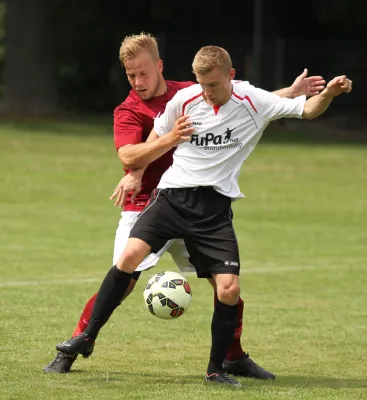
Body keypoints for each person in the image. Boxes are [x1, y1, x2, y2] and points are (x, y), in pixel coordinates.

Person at [45, 34, 327, 378]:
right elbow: (128, 155)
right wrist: (139, 168)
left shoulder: (190, 89)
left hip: (202, 206)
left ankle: (232, 357)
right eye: (131, 75)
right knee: (126, 275)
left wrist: (291, 93)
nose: (137, 82)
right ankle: (76, 345)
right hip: (149, 204)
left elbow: (242, 102)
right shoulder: (129, 110)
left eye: (143, 73)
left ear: (159, 66)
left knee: (226, 288)